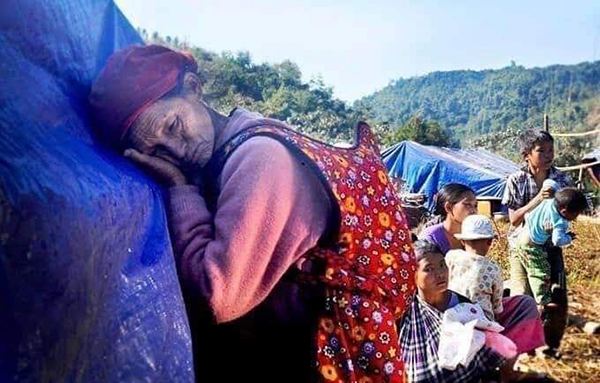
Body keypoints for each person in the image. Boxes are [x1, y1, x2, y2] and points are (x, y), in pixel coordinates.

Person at [88, 44, 416, 382]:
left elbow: (217, 295)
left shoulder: (260, 158)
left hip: (334, 356)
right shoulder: (239, 140)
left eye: (173, 126)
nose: (174, 150)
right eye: (155, 150)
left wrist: (179, 188)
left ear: (194, 88)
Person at [502, 129, 572, 357]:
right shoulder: (516, 180)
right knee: (523, 296)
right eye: (541, 151)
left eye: (551, 150)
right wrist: (538, 200)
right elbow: (513, 219)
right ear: (526, 155)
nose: (548, 155)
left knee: (557, 295)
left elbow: (569, 212)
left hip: (551, 248)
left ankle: (550, 347)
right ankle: (522, 348)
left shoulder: (562, 179)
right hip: (522, 248)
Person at [399, 240, 505, 383]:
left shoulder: (464, 306)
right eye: (429, 269)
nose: (440, 274)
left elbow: (488, 362)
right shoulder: (405, 316)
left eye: (443, 265)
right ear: (414, 275)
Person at [446, 215, 545, 356]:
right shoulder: (493, 268)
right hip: (482, 322)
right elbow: (497, 308)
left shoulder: (451, 256)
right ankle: (514, 357)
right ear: (490, 241)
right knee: (527, 303)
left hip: (453, 315)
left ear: (462, 240)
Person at [515, 187, 587, 307]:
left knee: (533, 270)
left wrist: (554, 189)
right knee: (540, 272)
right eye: (576, 214)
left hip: (521, 236)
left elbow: (549, 183)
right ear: (564, 211)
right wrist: (569, 238)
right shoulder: (560, 222)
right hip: (532, 247)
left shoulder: (549, 200)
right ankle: (543, 299)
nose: (576, 218)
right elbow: (557, 240)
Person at [418, 183, 478, 254]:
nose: (474, 210)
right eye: (468, 204)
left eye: (475, 205)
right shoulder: (430, 237)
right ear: (448, 207)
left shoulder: (475, 235)